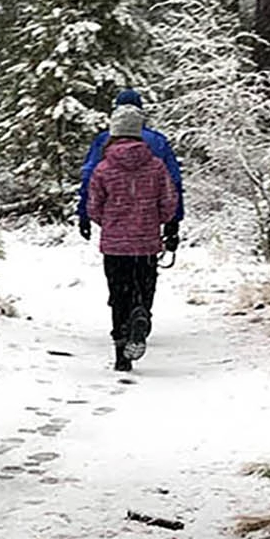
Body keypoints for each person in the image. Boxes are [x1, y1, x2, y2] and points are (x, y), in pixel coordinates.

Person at [85, 103, 178, 372]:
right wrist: (156, 221)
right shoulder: (157, 167)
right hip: (147, 243)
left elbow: (94, 205)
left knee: (118, 295)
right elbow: (169, 202)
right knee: (144, 287)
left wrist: (108, 222)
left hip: (114, 245)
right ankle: (141, 316)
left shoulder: (103, 168)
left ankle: (121, 350)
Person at [77, 88, 182, 253]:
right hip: (148, 235)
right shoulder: (158, 141)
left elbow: (90, 182)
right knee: (145, 277)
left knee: (118, 278)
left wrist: (85, 214)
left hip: (114, 237)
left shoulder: (104, 142)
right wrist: (172, 222)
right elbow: (173, 184)